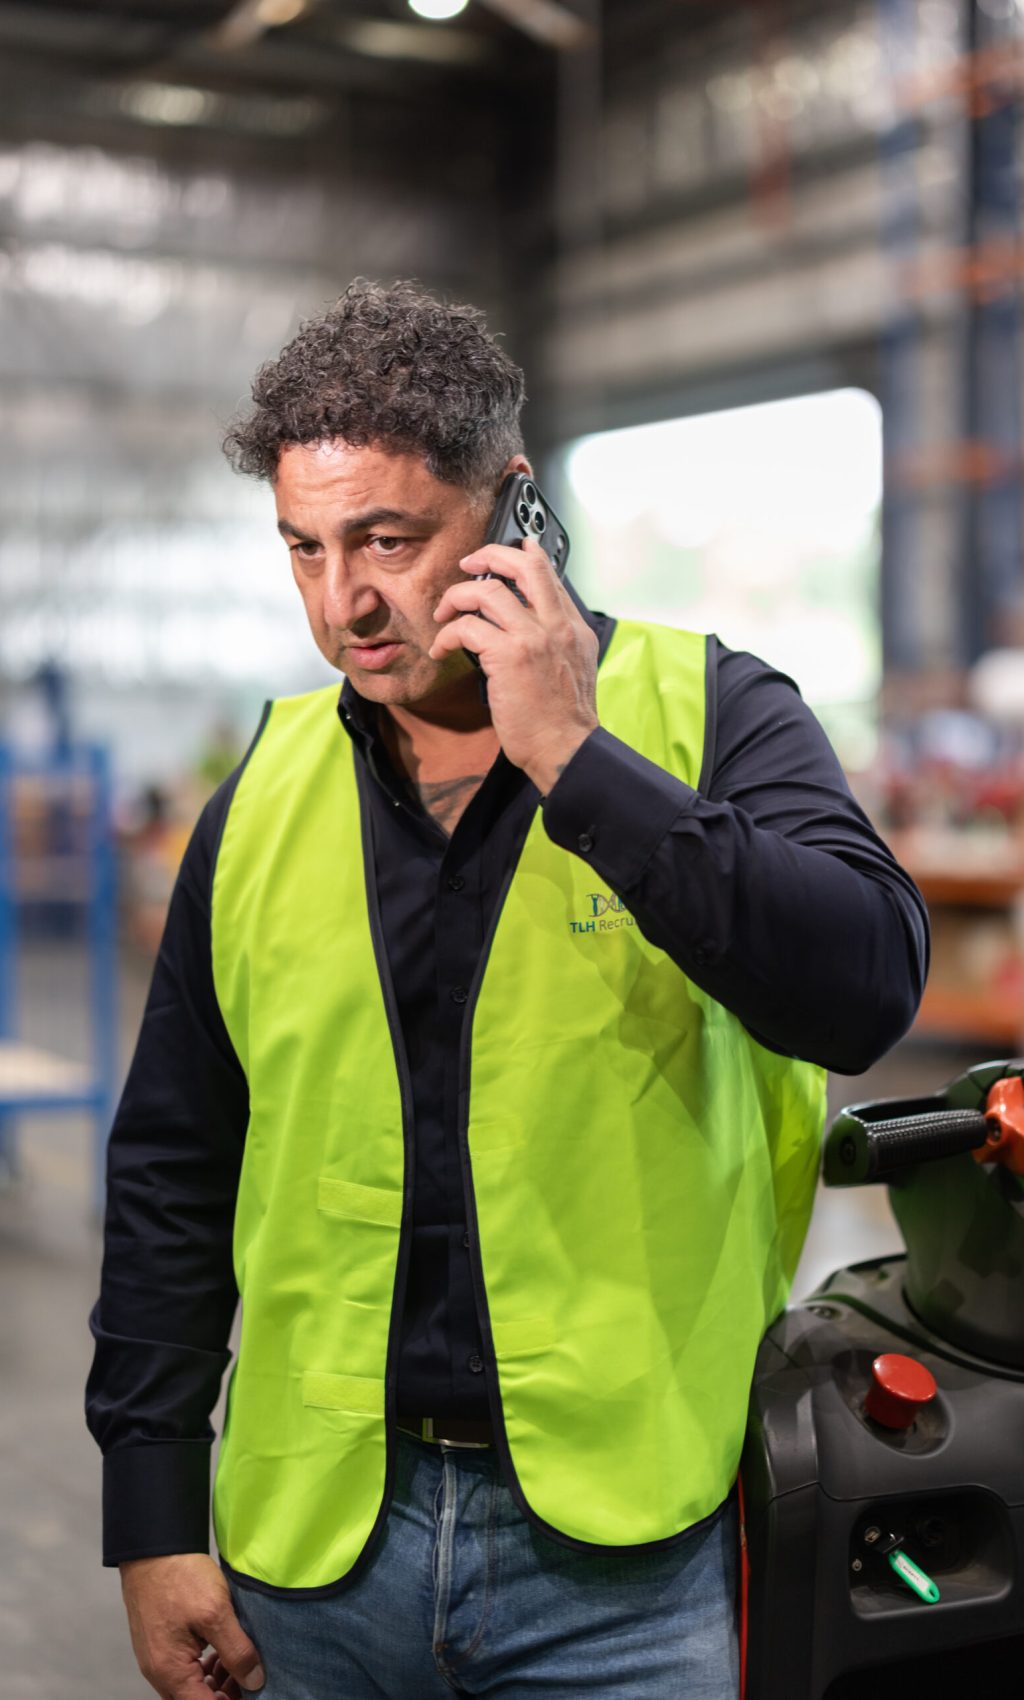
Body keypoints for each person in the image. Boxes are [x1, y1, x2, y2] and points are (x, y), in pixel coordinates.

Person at [86, 279, 928, 1700]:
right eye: (303, 548)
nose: (343, 601)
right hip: (315, 1548)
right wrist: (153, 1513)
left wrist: (582, 762)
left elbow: (862, 989)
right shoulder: (264, 796)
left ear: (514, 509)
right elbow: (173, 1165)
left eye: (389, 541)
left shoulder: (710, 719)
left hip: (621, 1563)